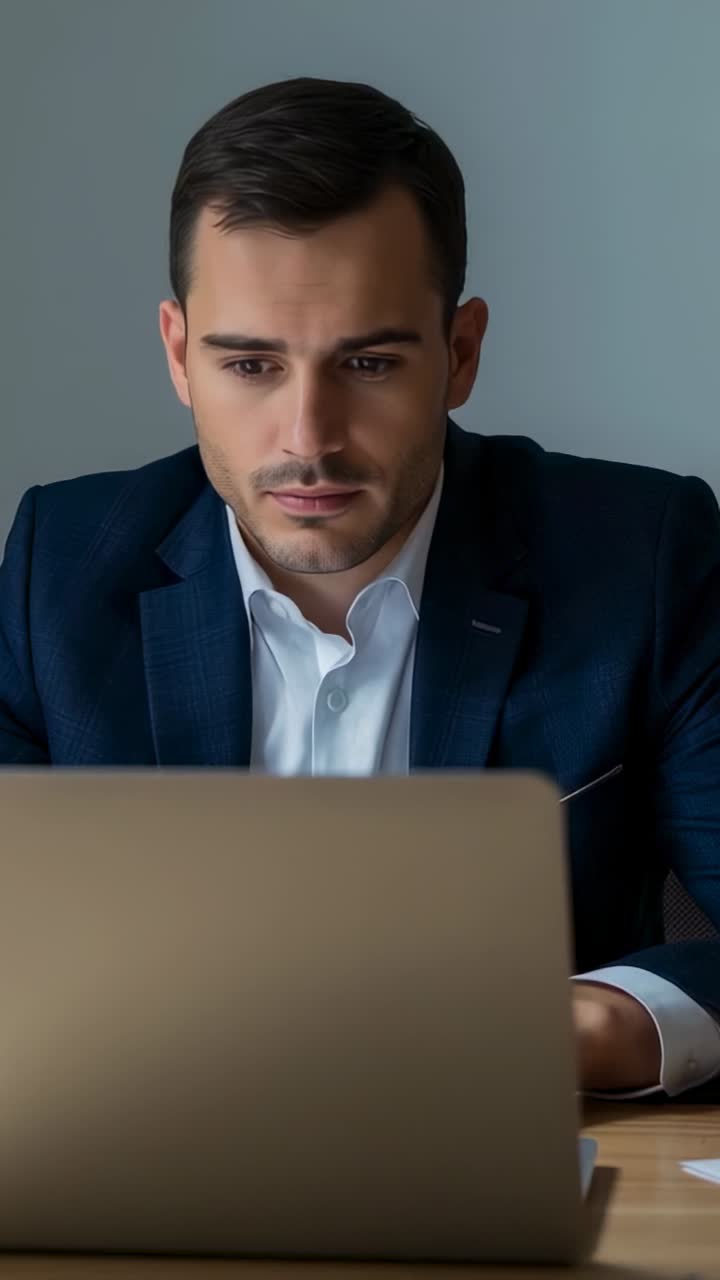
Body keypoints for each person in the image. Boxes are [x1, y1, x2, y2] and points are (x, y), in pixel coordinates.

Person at [1, 76, 719, 1099]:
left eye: (369, 362)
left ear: (460, 353)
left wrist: (606, 1024)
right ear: (177, 355)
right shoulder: (58, 565)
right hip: (142, 1147)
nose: (308, 439)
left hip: (506, 1148)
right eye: (250, 366)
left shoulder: (643, 555)